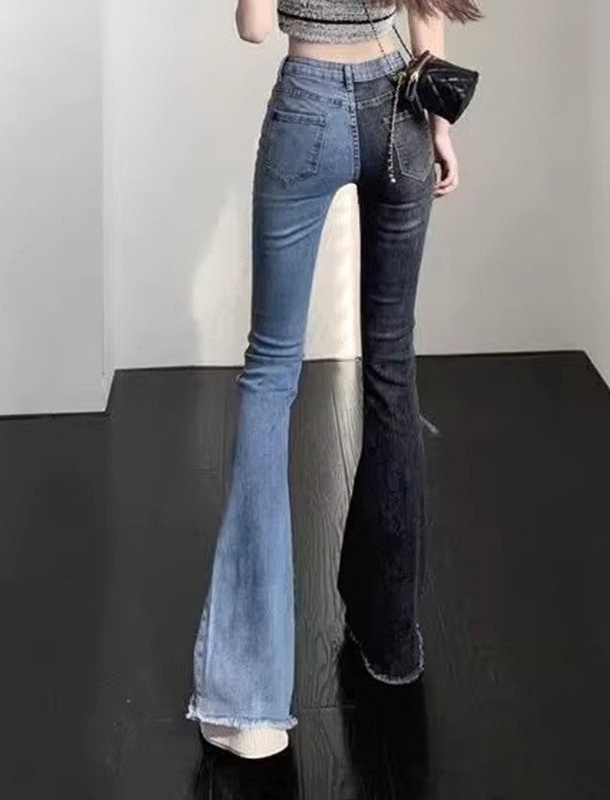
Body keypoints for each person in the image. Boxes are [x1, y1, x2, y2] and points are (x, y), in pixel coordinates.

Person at [186, 0, 482, 759]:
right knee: (391, 364)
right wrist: (441, 127)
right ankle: (390, 642)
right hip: (402, 101)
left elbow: (255, 26)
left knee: (270, 373)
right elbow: (427, 12)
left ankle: (249, 707)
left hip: (308, 102)